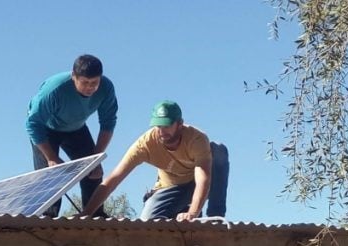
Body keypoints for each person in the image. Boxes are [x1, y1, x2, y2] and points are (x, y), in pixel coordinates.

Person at [81, 100, 227, 221]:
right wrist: (86, 214)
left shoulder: (196, 139)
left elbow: (203, 179)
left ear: (180, 123)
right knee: (147, 221)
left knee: (218, 150)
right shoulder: (145, 144)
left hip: (198, 184)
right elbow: (113, 179)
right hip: (171, 187)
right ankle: (180, 210)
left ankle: (215, 217)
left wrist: (193, 214)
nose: (162, 132)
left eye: (167, 126)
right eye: (158, 126)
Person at [25, 54, 118, 217]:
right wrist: (51, 157)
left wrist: (96, 158)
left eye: (94, 83)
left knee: (93, 170)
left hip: (76, 128)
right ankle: (48, 217)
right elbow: (33, 124)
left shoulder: (106, 88)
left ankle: (94, 215)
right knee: (51, 175)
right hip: (46, 129)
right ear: (74, 77)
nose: (90, 87)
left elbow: (108, 124)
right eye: (85, 83)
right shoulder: (54, 90)